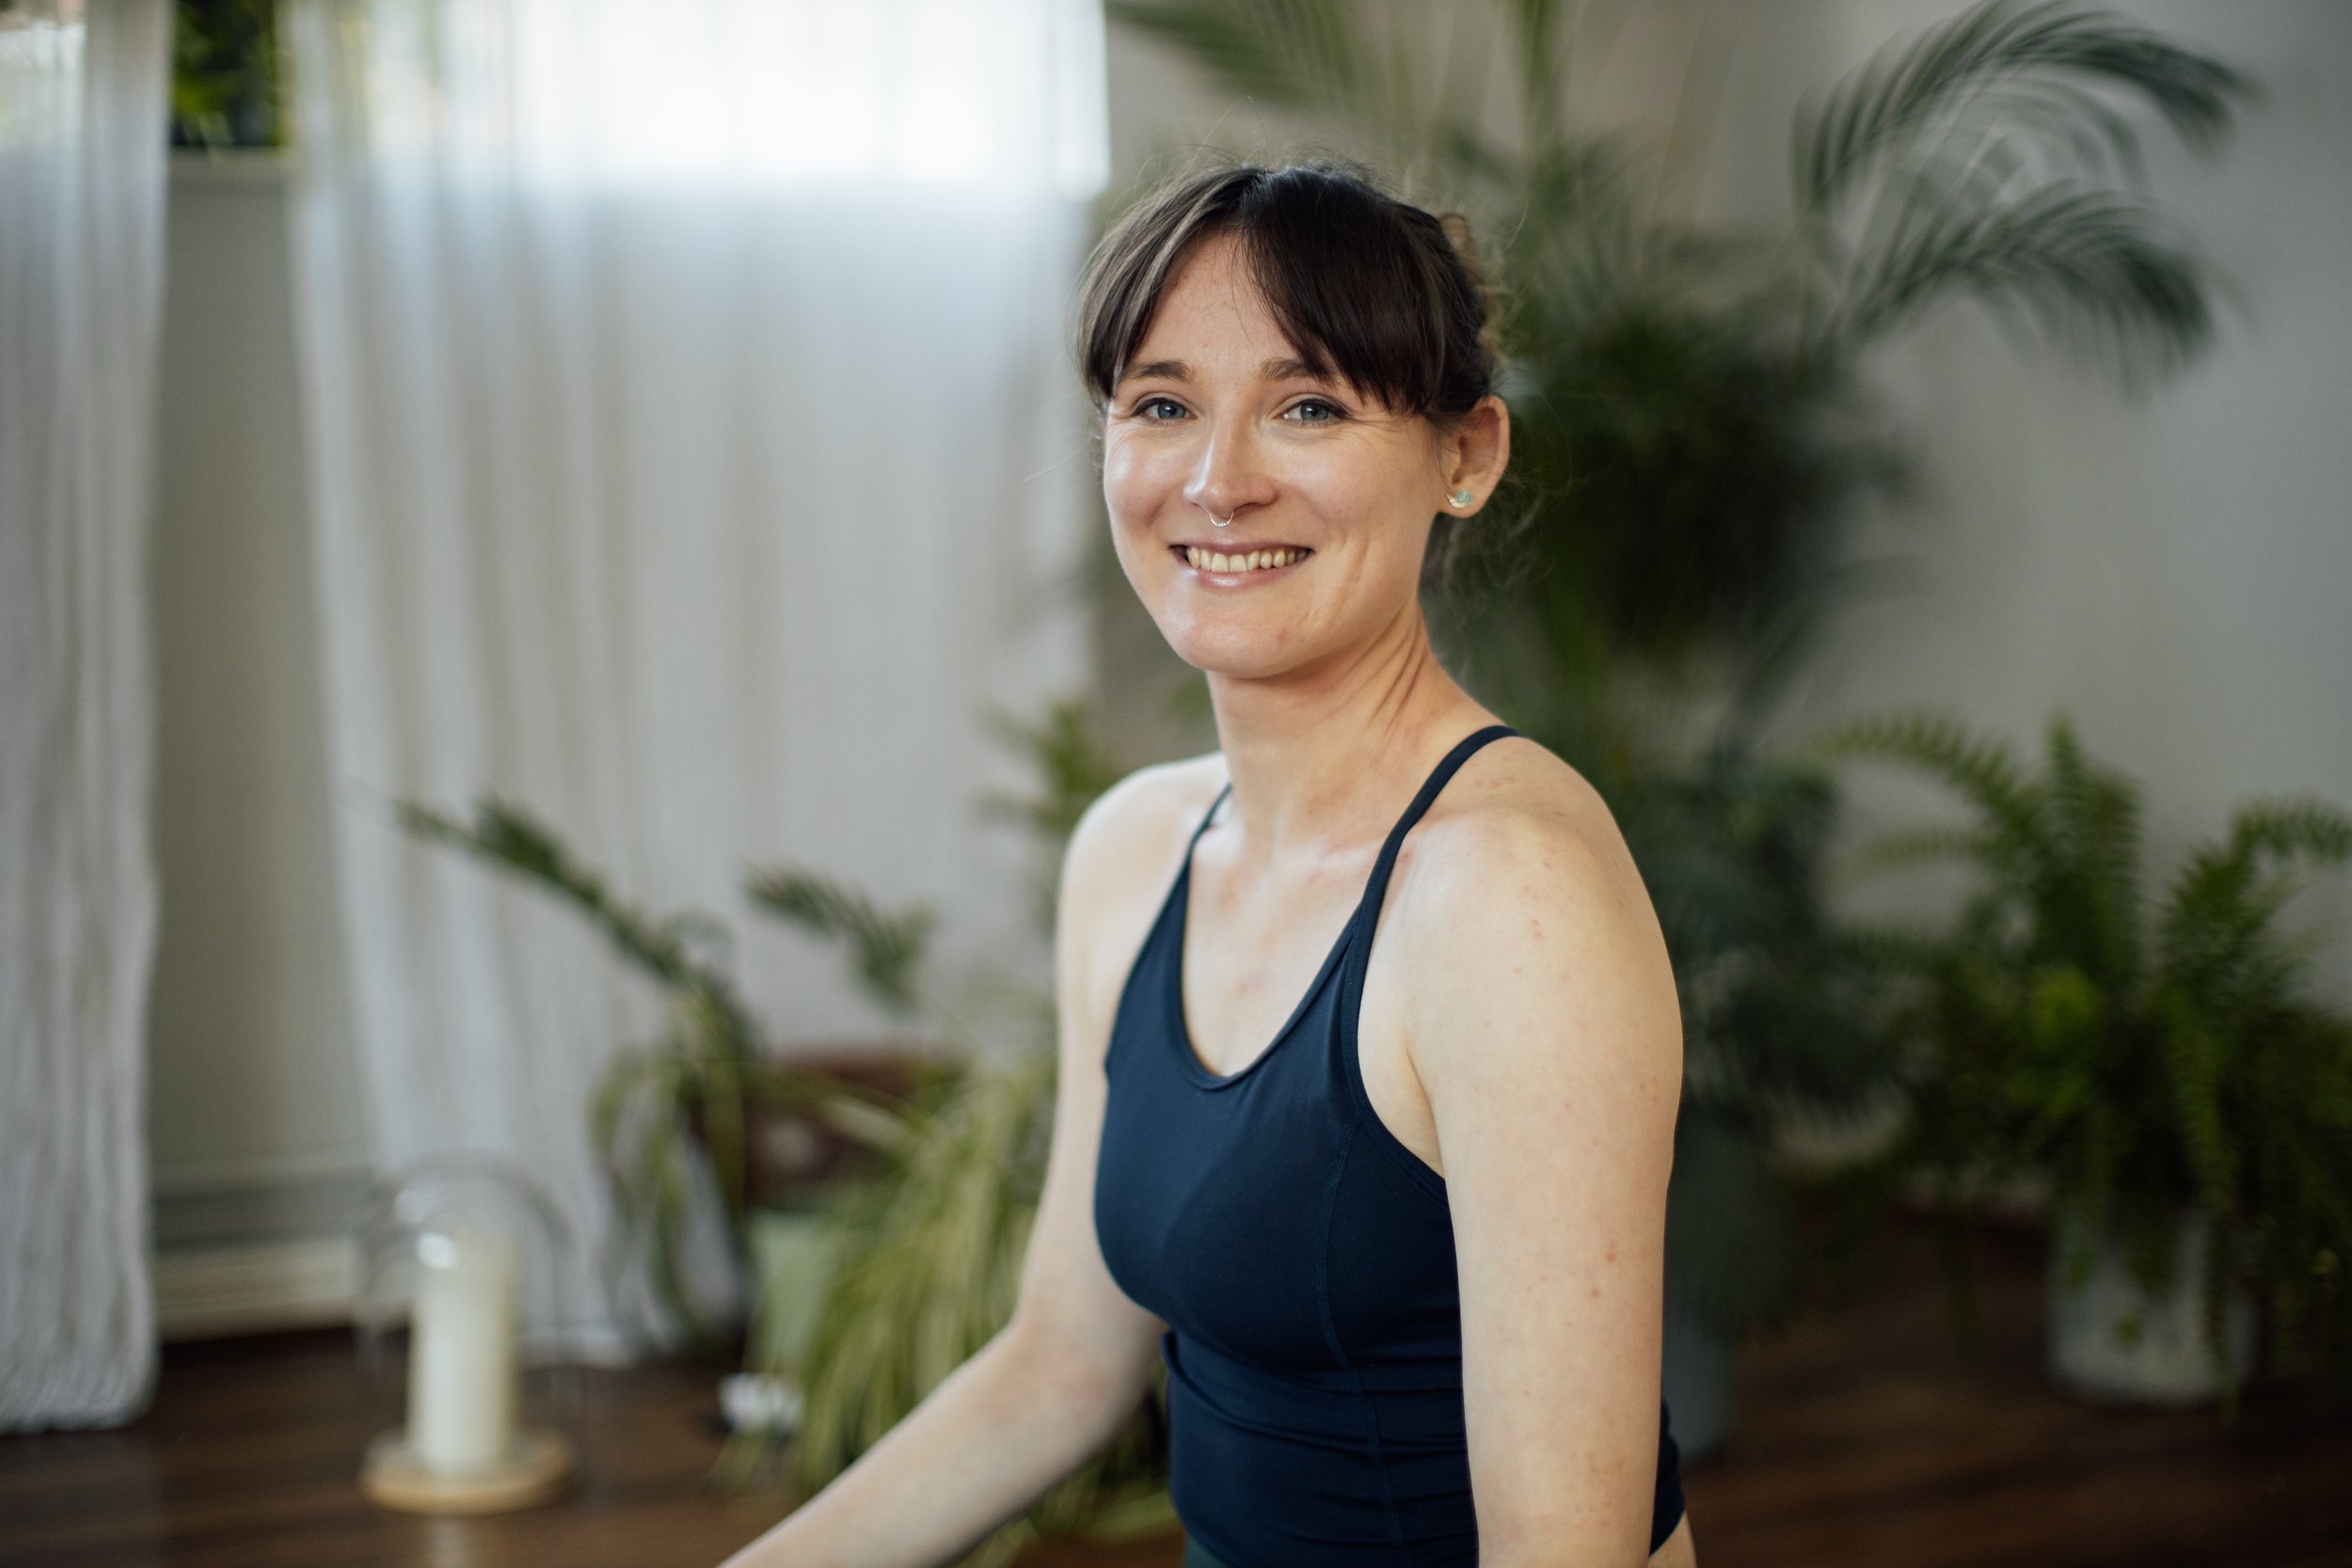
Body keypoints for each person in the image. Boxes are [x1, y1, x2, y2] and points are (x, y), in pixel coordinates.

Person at [720, 158, 1696, 1568]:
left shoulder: (1506, 900)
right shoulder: (1133, 853)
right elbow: (1059, 1370)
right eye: (1164, 405)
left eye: (1307, 406)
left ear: (1466, 456)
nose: (1219, 480)